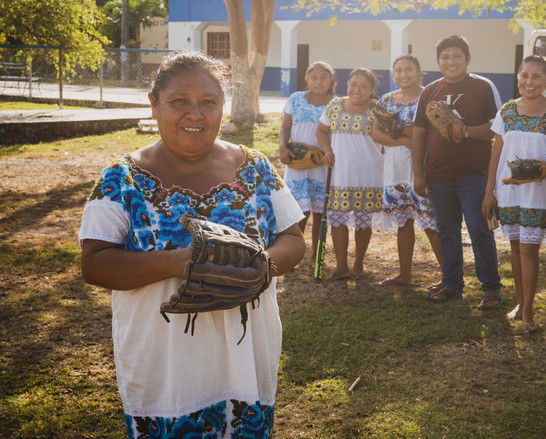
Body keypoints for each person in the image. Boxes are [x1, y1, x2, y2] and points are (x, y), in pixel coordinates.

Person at [79, 52, 305, 437]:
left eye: (208, 102)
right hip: (165, 366)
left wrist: (262, 265)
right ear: (154, 105)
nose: (195, 115)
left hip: (245, 358)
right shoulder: (122, 178)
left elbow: (293, 238)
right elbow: (95, 264)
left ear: (222, 107)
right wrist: (179, 263)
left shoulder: (255, 168)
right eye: (179, 101)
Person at [412, 35, 504, 308]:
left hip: (473, 172)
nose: (450, 61)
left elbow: (497, 129)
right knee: (447, 230)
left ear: (467, 59)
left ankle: (491, 288)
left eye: (456, 56)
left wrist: (464, 131)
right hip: (438, 173)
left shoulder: (482, 86)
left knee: (479, 229)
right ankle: (452, 283)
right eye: (445, 57)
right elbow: (419, 133)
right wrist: (418, 172)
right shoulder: (429, 91)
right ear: (438, 61)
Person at [482, 55, 546, 332]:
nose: (529, 81)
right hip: (507, 189)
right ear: (517, 77)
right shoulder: (506, 111)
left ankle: (529, 312)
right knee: (515, 247)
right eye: (524, 75)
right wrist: (489, 193)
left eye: (536, 76)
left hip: (539, 190)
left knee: (529, 249)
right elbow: (496, 153)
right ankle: (520, 303)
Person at [371, 54, 443, 288]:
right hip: (395, 169)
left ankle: (449, 277)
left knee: (432, 225)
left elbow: (432, 133)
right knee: (404, 223)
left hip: (423, 167)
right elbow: (377, 133)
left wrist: (401, 132)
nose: (404, 74)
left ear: (420, 71)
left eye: (409, 69)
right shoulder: (386, 100)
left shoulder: (430, 97)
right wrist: (405, 139)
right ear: (393, 74)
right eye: (399, 70)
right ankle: (404, 275)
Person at [316, 68, 384, 280]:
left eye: (363, 86)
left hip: (369, 174)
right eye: (353, 84)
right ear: (347, 85)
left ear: (372, 90)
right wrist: (327, 151)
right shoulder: (335, 105)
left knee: (364, 221)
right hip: (341, 174)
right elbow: (320, 130)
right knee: (338, 219)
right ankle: (341, 266)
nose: (357, 90)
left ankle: (358, 265)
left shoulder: (377, 109)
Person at [279, 61, 336, 258]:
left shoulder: (335, 104)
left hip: (322, 163)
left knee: (320, 212)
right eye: (314, 78)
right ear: (307, 79)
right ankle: (294, 254)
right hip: (297, 162)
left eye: (323, 78)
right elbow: (285, 127)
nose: (318, 82)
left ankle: (317, 256)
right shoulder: (295, 99)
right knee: (297, 211)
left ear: (331, 81)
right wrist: (282, 147)